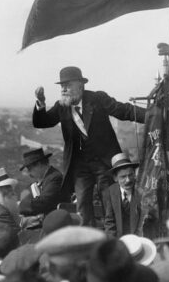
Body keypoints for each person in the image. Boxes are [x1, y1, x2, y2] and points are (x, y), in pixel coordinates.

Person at [33, 66, 146, 227]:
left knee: (111, 204)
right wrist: (41, 102)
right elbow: (41, 122)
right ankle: (90, 242)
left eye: (68, 85)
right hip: (80, 167)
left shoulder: (97, 99)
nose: (64, 89)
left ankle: (114, 239)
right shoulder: (61, 106)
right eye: (62, 86)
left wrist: (150, 116)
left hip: (104, 163)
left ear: (80, 85)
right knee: (83, 208)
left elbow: (123, 110)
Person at [102, 152, 146, 238]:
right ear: (115, 178)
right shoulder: (111, 192)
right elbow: (109, 222)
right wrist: (113, 243)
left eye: (131, 175)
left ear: (134, 174)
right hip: (119, 239)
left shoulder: (141, 191)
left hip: (139, 238)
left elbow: (144, 220)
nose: (128, 180)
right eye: (123, 177)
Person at [18, 148, 66, 218]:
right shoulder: (45, 179)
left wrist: (20, 205)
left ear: (39, 164)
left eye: (29, 168)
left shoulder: (55, 178)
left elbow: (44, 202)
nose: (29, 172)